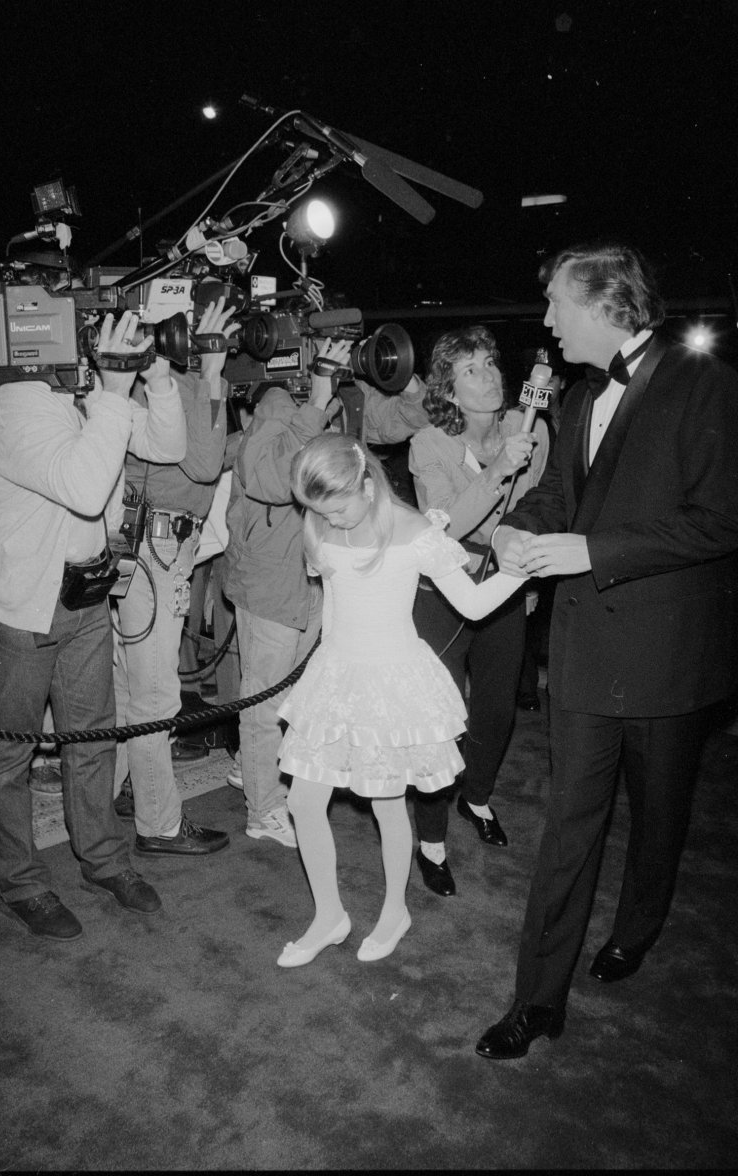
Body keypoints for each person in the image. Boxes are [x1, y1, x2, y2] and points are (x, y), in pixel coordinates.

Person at [475, 241, 738, 1060]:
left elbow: (722, 519)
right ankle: (538, 999)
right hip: (583, 651)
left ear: (605, 302)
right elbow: (563, 496)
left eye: (556, 304)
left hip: (667, 656)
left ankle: (639, 927)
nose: (547, 321)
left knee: (659, 818)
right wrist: (520, 529)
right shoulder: (580, 398)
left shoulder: (709, 386)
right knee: (568, 828)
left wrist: (597, 551)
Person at [274, 433, 525, 967]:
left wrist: (518, 574)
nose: (329, 518)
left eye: (337, 506)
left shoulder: (416, 532)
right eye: (318, 509)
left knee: (387, 804)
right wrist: (323, 670)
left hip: (392, 681)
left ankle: (395, 910)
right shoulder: (320, 524)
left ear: (366, 484)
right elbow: (334, 607)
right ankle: (329, 916)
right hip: (339, 675)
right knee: (302, 801)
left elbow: (475, 605)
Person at [0, 310, 186, 940]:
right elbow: (86, 489)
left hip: (86, 596)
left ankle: (103, 861)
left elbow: (169, 446)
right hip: (24, 606)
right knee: (7, 754)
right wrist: (115, 391)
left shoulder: (85, 394)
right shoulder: (17, 401)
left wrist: (155, 377)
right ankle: (21, 882)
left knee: (92, 738)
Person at [223, 340, 431, 849]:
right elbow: (270, 479)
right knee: (265, 700)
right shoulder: (276, 399)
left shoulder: (349, 394)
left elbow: (409, 418)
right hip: (273, 576)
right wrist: (315, 400)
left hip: (322, 572)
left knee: (296, 695)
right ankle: (264, 808)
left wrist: (399, 375)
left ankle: (253, 770)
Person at [408, 326, 548, 896]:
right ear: (449, 388)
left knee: (495, 710)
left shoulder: (527, 430)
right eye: (471, 370)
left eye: (490, 363)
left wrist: (528, 572)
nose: (488, 375)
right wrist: (495, 474)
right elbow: (448, 525)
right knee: (441, 717)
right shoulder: (427, 445)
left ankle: (477, 797)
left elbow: (540, 508)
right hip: (445, 586)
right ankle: (431, 838)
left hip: (507, 585)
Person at [111, 297, 237, 856]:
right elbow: (205, 464)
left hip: (139, 545)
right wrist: (211, 373)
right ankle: (158, 825)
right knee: (156, 694)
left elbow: (201, 459)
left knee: (126, 684)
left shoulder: (135, 378)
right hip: (158, 548)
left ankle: (122, 789)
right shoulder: (173, 383)